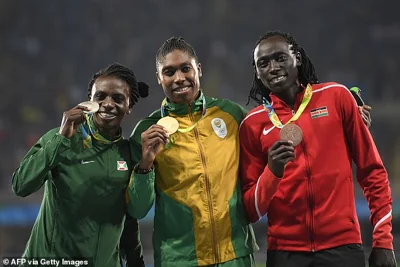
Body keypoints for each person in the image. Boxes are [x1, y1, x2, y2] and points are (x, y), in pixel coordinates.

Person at [239, 30, 396, 267]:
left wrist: (383, 241)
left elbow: (373, 172)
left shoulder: (337, 98)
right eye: (264, 63)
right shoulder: (252, 124)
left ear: (297, 58)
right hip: (285, 254)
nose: (273, 67)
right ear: (257, 73)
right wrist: (272, 172)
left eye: (280, 58)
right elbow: (251, 211)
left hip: (343, 248)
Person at [126, 37, 258, 267]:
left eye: (185, 68)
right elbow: (138, 209)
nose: (179, 78)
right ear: (159, 78)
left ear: (198, 69)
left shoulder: (232, 115)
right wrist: (145, 163)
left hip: (235, 255)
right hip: (180, 259)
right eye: (169, 72)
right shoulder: (146, 132)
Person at [12, 63, 148, 267]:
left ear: (129, 106)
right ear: (90, 101)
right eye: (100, 96)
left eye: (118, 98)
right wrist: (61, 139)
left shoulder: (128, 154)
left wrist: (136, 263)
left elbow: (128, 221)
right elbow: (21, 186)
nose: (108, 104)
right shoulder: (60, 139)